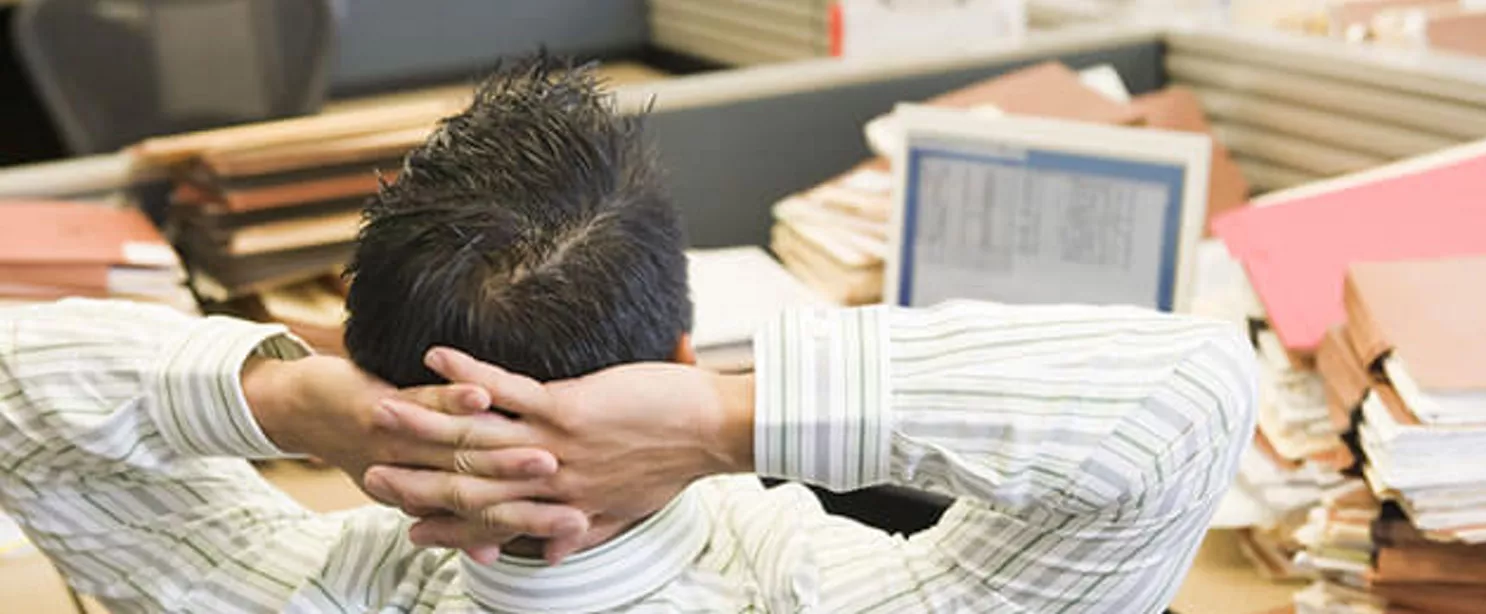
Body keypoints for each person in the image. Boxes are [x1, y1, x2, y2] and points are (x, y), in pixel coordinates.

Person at [0, 57, 1258, 613]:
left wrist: (285, 396)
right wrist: (726, 420)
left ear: (374, 379)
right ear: (673, 358)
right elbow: (1187, 398)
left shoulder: (303, 590)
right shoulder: (842, 594)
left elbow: (17, 399)